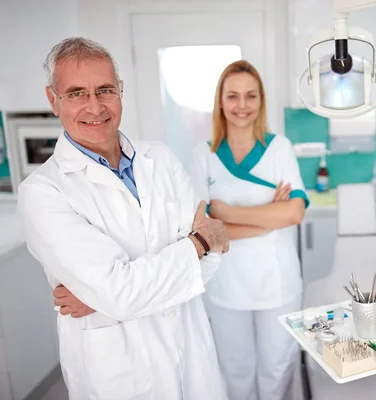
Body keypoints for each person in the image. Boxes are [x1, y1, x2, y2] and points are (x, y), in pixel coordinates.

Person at [17, 37, 229, 400]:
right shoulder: (42, 192)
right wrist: (199, 241)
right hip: (121, 376)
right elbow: (124, 291)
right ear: (54, 100)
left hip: (192, 359)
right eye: (76, 93)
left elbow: (212, 262)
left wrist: (101, 297)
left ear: (121, 92)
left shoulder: (160, 159)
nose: (95, 106)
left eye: (105, 90)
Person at [189, 60, 309, 400]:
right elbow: (204, 228)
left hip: (278, 283)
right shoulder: (204, 155)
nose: (242, 106)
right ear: (221, 102)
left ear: (261, 101)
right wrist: (270, 216)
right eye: (233, 96)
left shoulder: (279, 148)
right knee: (235, 372)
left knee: (276, 371)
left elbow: (296, 211)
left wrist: (227, 213)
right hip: (226, 285)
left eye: (251, 96)